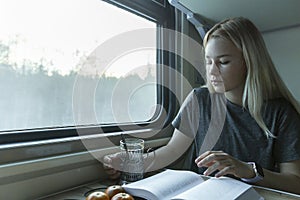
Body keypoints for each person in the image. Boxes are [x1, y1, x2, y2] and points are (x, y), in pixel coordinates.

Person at [103, 17, 300, 194]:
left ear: (249, 62)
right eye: (208, 62)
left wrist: (248, 170)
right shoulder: (199, 99)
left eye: (223, 62)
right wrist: (132, 163)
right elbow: (172, 151)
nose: (212, 71)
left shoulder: (281, 113)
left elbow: (294, 182)